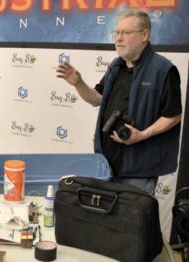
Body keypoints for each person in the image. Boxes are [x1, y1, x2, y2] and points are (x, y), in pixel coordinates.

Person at [56, 9, 182, 194]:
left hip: (138, 171)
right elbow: (97, 99)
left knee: (133, 222)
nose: (118, 38)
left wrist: (142, 135)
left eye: (126, 33)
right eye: (117, 33)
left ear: (144, 35)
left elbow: (174, 115)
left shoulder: (163, 70)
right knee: (107, 222)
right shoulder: (116, 66)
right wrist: (79, 83)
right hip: (106, 164)